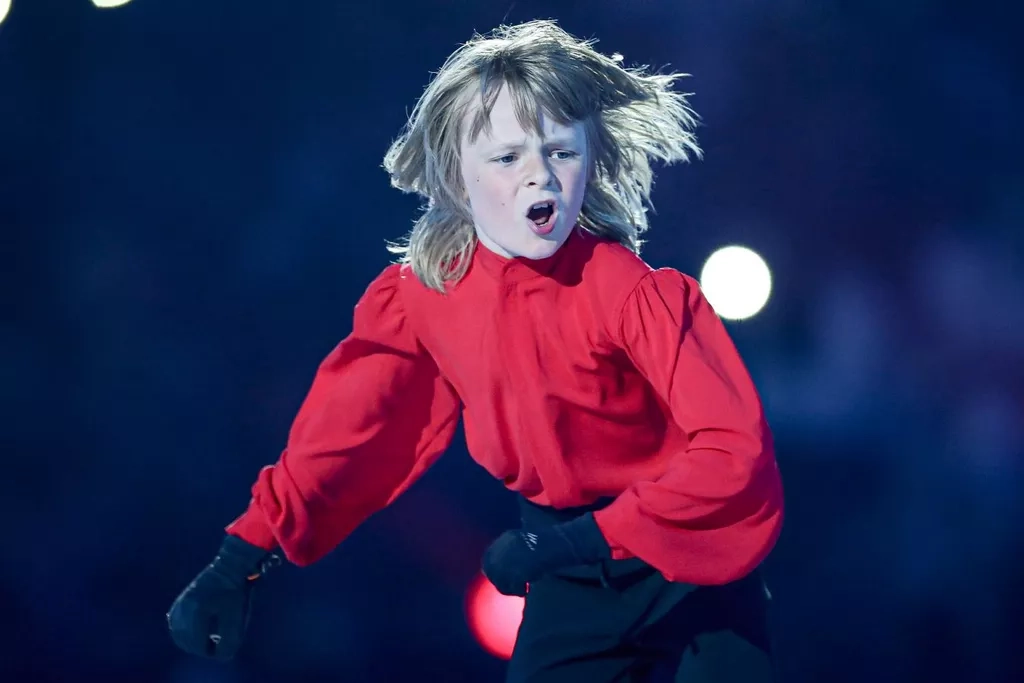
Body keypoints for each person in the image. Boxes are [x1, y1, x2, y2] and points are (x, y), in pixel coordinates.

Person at [167, 19, 784, 682]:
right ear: (457, 175)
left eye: (561, 151)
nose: (540, 176)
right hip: (568, 576)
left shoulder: (632, 293)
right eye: (507, 157)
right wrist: (241, 556)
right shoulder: (425, 297)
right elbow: (348, 432)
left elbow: (733, 451)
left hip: (689, 564)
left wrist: (578, 540)